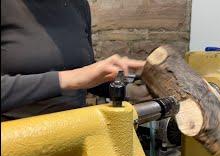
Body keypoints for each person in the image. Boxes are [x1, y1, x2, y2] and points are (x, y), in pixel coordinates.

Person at [1, 0, 149, 120]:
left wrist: (131, 89)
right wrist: (69, 78)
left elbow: (85, 77)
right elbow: (77, 77)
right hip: (16, 140)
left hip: (74, 131)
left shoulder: (78, 5)